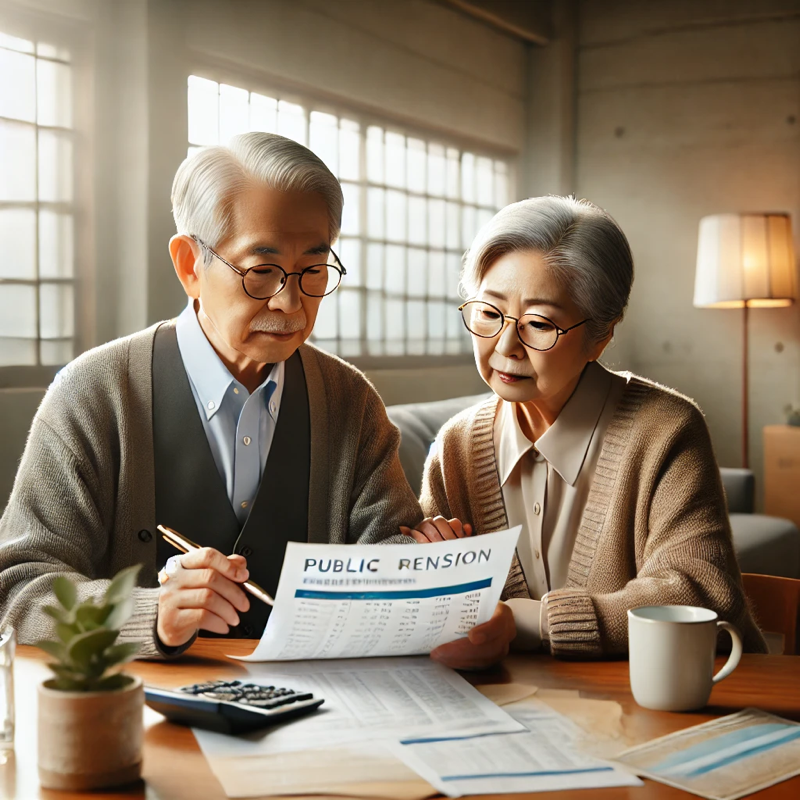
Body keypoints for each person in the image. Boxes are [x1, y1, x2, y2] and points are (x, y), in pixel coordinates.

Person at [0, 132, 424, 657]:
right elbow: (18, 589)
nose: (291, 302)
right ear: (189, 265)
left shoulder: (349, 400)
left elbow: (389, 552)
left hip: (319, 709)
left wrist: (423, 556)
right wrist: (147, 612)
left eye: (313, 271)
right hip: (146, 715)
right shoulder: (94, 394)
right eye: (262, 271)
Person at [403, 195, 766, 663]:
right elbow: (441, 608)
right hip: (515, 710)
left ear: (601, 335)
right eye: (489, 315)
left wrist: (526, 620)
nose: (506, 346)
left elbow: (700, 597)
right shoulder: (455, 447)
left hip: (667, 704)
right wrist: (426, 564)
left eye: (539, 324)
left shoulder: (666, 431)